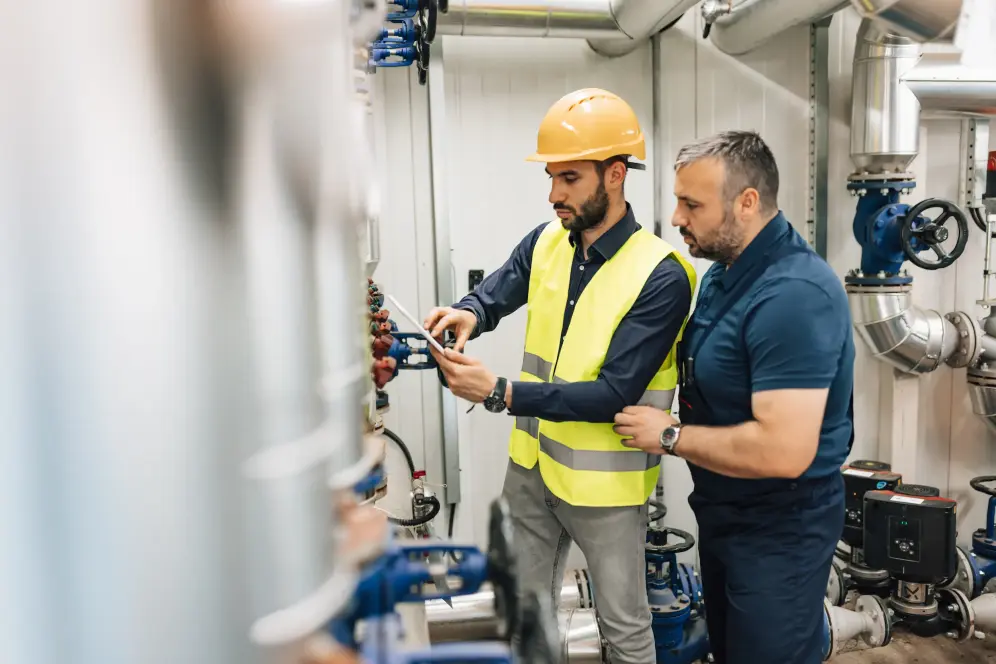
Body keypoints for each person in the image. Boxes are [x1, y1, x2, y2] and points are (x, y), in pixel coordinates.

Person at [422, 88, 696, 664]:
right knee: (522, 615)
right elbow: (505, 283)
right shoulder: (549, 241)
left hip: (606, 489)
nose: (554, 194)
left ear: (615, 175)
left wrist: (499, 393)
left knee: (623, 629)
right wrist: (469, 310)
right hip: (532, 469)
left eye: (569, 178)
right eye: (551, 178)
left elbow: (615, 393)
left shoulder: (661, 275)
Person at [612, 130, 854, 664]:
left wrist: (670, 435)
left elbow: (782, 451)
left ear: (747, 204)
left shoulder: (793, 294)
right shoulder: (723, 276)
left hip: (780, 528)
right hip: (725, 513)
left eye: (691, 204)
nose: (676, 218)